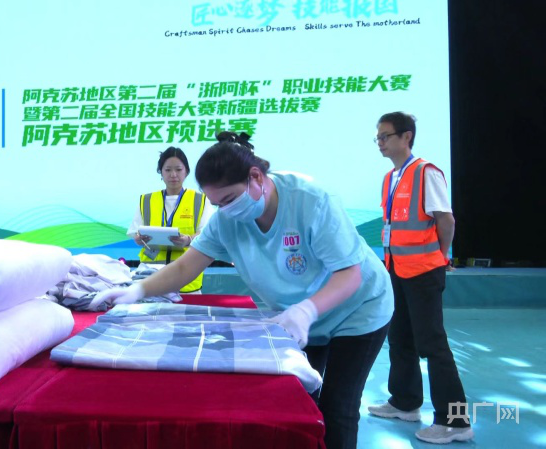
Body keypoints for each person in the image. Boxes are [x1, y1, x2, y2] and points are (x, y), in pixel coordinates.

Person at [94, 131, 393, 449]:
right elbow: (185, 267)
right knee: (300, 400)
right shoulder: (226, 220)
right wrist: (137, 290)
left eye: (230, 199)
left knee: (338, 407)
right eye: (216, 204)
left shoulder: (311, 200)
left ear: (256, 177)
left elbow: (349, 275)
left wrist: (307, 310)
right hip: (295, 315)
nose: (225, 210)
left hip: (356, 309)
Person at [367, 112, 473, 444]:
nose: (380, 142)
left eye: (385, 136)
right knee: (399, 338)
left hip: (425, 270)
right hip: (396, 269)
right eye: (377, 137)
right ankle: (405, 402)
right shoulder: (390, 178)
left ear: (406, 137)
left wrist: (441, 256)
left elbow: (446, 220)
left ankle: (455, 421)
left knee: (433, 345)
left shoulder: (426, 172)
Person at [127, 147, 213, 293]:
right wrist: (139, 239)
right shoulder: (147, 200)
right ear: (161, 172)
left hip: (186, 278)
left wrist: (188, 240)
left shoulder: (200, 200)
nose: (173, 175)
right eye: (167, 170)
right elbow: (135, 233)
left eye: (178, 169)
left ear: (186, 171)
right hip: (150, 276)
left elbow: (207, 234)